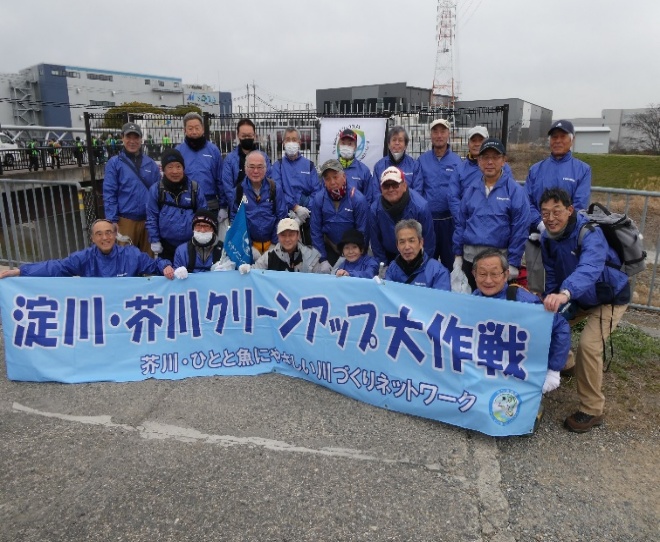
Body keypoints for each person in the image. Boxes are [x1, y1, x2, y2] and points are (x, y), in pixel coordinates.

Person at [539, 188, 630, 433]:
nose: (550, 218)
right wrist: (550, 296)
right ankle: (566, 363)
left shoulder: (590, 233)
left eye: (556, 211)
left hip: (610, 296)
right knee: (546, 323)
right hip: (578, 296)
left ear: (570, 210)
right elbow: (551, 272)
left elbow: (589, 268)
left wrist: (565, 293)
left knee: (589, 346)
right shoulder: (547, 238)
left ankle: (592, 409)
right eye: (545, 213)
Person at [471, 248, 570, 394]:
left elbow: (560, 327)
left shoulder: (521, 300)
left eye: (494, 274)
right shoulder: (472, 299)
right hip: (487, 367)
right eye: (482, 274)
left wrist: (554, 370)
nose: (488, 280)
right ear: (474, 274)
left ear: (506, 275)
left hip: (518, 368)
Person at [453, 138, 529, 291]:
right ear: (479, 161)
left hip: (498, 264)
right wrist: (458, 255)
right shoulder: (471, 190)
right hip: (470, 260)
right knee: (469, 301)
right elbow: (461, 224)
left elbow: (520, 229)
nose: (490, 162)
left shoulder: (514, 191)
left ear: (504, 160)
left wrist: (513, 263)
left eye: (495, 157)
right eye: (485, 157)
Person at [525, 120, 592, 293]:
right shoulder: (535, 170)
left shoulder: (582, 170)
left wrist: (558, 229)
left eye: (563, 137)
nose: (558, 141)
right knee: (538, 287)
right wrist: (541, 224)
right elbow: (527, 202)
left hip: (568, 242)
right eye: (554, 137)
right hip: (538, 238)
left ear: (572, 140)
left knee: (564, 286)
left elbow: (579, 205)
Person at [0, 219, 174, 279]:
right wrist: (22, 271)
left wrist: (166, 267)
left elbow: (154, 265)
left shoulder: (131, 254)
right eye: (99, 234)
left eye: (108, 233)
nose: (104, 238)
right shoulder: (84, 257)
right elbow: (57, 267)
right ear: (92, 239)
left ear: (115, 235)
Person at [103, 122, 161, 256]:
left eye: (136, 138)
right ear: (122, 138)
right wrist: (112, 220)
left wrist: (157, 218)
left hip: (148, 221)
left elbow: (158, 192)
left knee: (148, 259)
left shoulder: (150, 163)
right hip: (125, 220)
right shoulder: (114, 163)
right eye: (129, 137)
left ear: (141, 139)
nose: (132, 141)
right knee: (125, 259)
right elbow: (109, 193)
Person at [146, 149, 207, 263]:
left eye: (178, 167)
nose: (175, 171)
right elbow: (152, 217)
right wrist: (154, 240)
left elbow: (203, 215)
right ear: (163, 169)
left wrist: (202, 236)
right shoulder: (156, 190)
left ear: (183, 168)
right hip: (165, 246)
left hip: (191, 244)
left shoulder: (194, 189)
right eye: (170, 167)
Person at [418, 119, 463, 270]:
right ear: (430, 135)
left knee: (449, 264)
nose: (439, 135)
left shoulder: (457, 161)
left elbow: (460, 191)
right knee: (426, 263)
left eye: (442, 131)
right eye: (435, 132)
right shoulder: (422, 160)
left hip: (449, 222)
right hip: (428, 221)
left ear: (448, 134)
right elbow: (418, 189)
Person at [370, 166, 435, 267]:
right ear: (381, 189)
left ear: (404, 185)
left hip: (415, 256)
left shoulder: (421, 207)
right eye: (386, 186)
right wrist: (383, 266)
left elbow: (428, 242)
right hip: (389, 256)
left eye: (395, 185)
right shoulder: (374, 209)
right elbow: (376, 244)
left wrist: (421, 266)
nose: (391, 189)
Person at [310, 159, 370, 269]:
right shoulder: (319, 199)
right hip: (329, 247)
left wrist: (355, 254)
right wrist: (322, 259)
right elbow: (315, 230)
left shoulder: (358, 199)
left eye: (335, 177)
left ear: (344, 176)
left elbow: (363, 232)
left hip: (352, 250)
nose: (332, 182)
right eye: (327, 179)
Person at [230, 150, 287, 256]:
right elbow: (235, 220)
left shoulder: (275, 188)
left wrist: (274, 243)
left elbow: (281, 217)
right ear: (245, 168)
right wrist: (247, 245)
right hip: (249, 247)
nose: (255, 171)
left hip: (272, 244)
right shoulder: (238, 191)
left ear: (265, 169)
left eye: (260, 167)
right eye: (251, 167)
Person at [270, 127, 321, 243]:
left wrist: (305, 211)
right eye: (288, 139)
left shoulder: (309, 165)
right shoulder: (278, 166)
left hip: (307, 217)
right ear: (283, 143)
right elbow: (278, 191)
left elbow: (316, 192)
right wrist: (295, 207)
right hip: (286, 215)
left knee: (308, 248)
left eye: (294, 139)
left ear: (299, 142)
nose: (291, 142)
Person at [175, 112, 226, 220]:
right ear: (185, 130)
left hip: (210, 204)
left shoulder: (213, 150)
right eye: (190, 128)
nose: (194, 131)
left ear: (202, 129)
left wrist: (223, 206)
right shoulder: (178, 151)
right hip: (186, 205)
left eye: (197, 128)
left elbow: (220, 179)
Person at [222, 118, 272, 218]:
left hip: (261, 210)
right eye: (244, 136)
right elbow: (228, 188)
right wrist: (237, 205)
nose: (247, 138)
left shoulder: (263, 157)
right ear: (238, 136)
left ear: (254, 135)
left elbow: (269, 181)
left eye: (249, 135)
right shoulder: (230, 159)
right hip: (238, 210)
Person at [239, 217, 327, 273]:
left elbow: (319, 282)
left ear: (298, 236)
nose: (287, 239)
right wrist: (248, 269)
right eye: (283, 235)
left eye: (291, 235)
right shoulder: (269, 256)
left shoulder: (310, 256)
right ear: (278, 237)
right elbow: (255, 271)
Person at [384, 219, 450, 290]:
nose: (407, 247)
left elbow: (442, 296)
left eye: (411, 241)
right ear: (397, 246)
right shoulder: (392, 269)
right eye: (402, 242)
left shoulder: (438, 271)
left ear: (421, 242)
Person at [369, 126, 422, 202]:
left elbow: (417, 192)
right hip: (385, 208)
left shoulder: (415, 166)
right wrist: (388, 206)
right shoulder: (379, 166)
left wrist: (402, 205)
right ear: (388, 144)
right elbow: (376, 194)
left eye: (400, 140)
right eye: (394, 140)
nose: (397, 143)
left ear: (406, 145)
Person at [448, 125, 490, 221]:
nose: (477, 144)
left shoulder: (500, 167)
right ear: (468, 144)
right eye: (473, 141)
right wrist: (463, 220)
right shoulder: (459, 169)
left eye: (481, 140)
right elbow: (453, 197)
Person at [334, 128, 373, 203]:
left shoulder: (364, 171)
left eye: (350, 144)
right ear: (338, 145)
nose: (346, 147)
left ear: (355, 147)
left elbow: (368, 199)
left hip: (357, 210)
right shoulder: (331, 169)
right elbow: (324, 196)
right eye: (343, 143)